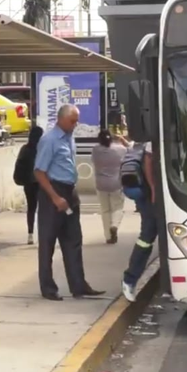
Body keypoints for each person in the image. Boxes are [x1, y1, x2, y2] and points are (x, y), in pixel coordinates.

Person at [34, 104, 105, 301]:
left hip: (70, 190)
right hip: (53, 191)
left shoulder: (69, 138)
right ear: (61, 119)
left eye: (76, 121)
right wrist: (55, 197)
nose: (75, 125)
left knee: (73, 239)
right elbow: (39, 171)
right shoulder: (49, 140)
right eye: (72, 121)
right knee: (48, 241)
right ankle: (48, 288)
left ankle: (79, 284)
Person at [121, 141, 158, 302]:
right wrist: (153, 188)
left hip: (155, 191)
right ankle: (130, 280)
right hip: (150, 194)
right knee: (147, 235)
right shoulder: (153, 137)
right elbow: (148, 160)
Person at [91, 129, 127, 244]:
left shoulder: (96, 150)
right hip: (116, 183)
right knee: (117, 208)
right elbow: (129, 150)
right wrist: (121, 140)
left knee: (105, 210)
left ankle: (108, 236)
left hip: (101, 184)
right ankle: (114, 225)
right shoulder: (120, 149)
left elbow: (93, 161)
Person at [13, 126, 44, 245]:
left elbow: (19, 165)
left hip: (28, 183)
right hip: (41, 182)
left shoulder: (25, 149)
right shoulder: (42, 149)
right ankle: (43, 233)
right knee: (43, 209)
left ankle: (30, 234)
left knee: (31, 208)